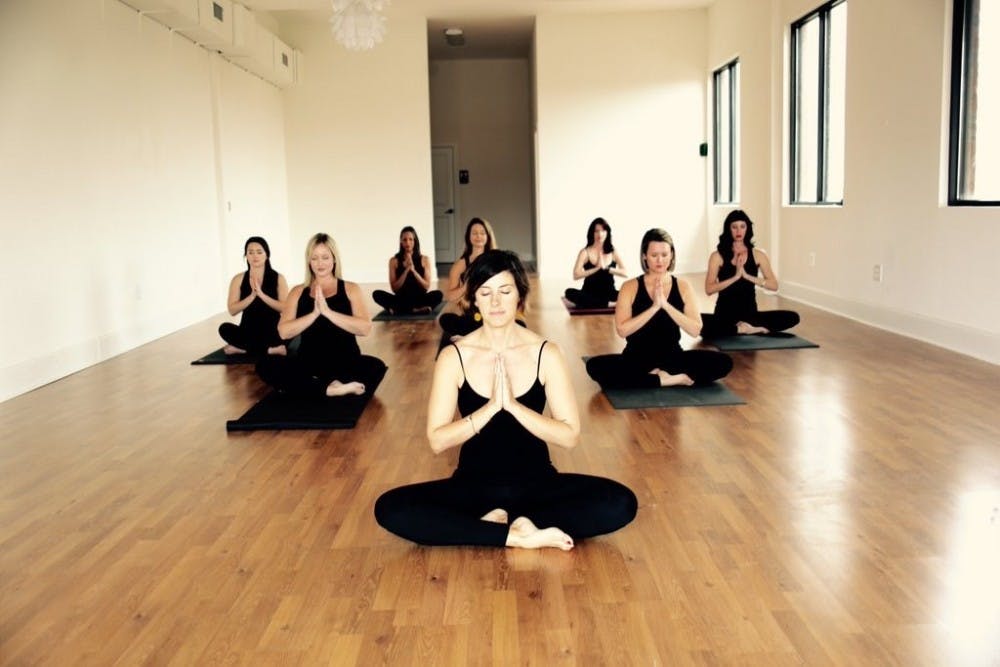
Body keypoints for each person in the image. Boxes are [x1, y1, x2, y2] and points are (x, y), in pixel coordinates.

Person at [375, 250, 637, 549]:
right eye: (485, 293)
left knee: (621, 502)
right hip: (472, 488)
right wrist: (489, 410)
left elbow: (569, 435)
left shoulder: (546, 352)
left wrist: (514, 406)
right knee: (390, 507)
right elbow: (437, 440)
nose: (496, 302)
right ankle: (518, 534)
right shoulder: (454, 357)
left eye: (505, 291)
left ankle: (496, 526)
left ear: (520, 297)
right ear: (473, 299)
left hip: (538, 485)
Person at [586, 229, 733, 388]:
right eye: (654, 255)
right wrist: (654, 307)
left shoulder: (683, 287)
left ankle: (650, 379)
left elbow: (695, 329)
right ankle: (666, 380)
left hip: (673, 359)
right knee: (595, 366)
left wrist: (666, 305)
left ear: (671, 255)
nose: (660, 261)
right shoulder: (629, 287)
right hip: (636, 359)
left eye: (664, 255)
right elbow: (622, 330)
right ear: (644, 256)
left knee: (724, 362)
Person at [257, 233, 385, 397]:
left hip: (346, 361)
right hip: (309, 363)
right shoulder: (297, 292)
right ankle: (331, 389)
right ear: (309, 262)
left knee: (377, 367)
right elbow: (283, 331)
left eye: (325, 257)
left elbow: (365, 328)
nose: (320, 263)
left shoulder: (351, 289)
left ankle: (316, 388)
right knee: (264, 365)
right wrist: (315, 313)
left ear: (334, 259)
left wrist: (328, 312)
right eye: (315, 258)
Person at [702, 209, 800, 338]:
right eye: (734, 227)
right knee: (697, 322)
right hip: (725, 315)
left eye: (742, 227)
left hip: (751, 315)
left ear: (747, 229)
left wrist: (747, 276)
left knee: (792, 317)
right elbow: (709, 289)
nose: (738, 231)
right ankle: (741, 330)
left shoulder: (758, 255)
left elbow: (774, 285)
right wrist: (735, 277)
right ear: (728, 229)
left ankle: (741, 328)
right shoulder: (717, 256)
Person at [218, 236, 289, 356]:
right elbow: (232, 310)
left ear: (267, 255)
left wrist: (262, 295)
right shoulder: (238, 279)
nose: (255, 256)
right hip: (248, 330)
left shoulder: (279, 278)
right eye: (250, 252)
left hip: (272, 330)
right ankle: (270, 350)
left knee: (290, 332)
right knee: (224, 328)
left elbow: (285, 308)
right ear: (246, 256)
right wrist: (251, 296)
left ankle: (242, 349)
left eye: (259, 252)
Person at [439, 217, 498, 339]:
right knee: (445, 319)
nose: (478, 236)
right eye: (474, 233)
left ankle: (470, 337)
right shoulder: (460, 264)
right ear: (468, 237)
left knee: (519, 324)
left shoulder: (496, 260)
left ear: (488, 236)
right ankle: (480, 337)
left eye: (482, 233)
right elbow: (450, 297)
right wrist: (466, 287)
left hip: (491, 313)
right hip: (472, 315)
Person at [372, 226, 443, 315]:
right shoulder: (394, 261)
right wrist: (406, 270)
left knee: (438, 294)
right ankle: (416, 310)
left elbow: (426, 286)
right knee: (377, 294)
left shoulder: (424, 259)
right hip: (401, 298)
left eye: (410, 239)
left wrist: (413, 270)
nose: (407, 243)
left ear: (415, 241)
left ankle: (400, 310)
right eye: (404, 240)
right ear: (401, 242)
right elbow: (394, 288)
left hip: (419, 298)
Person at [564, 217, 627, 308]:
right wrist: (596, 269)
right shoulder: (585, 252)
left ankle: (602, 303)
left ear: (607, 233)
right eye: (596, 231)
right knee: (569, 292)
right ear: (592, 233)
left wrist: (607, 268)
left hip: (609, 293)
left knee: (631, 294)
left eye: (603, 231)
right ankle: (609, 304)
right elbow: (576, 275)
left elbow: (625, 273)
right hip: (590, 293)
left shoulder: (612, 251)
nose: (600, 234)